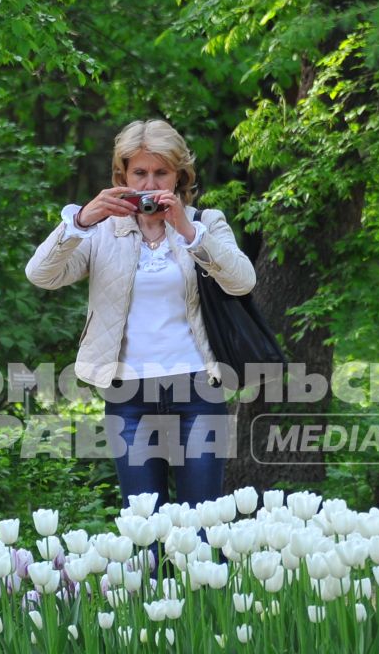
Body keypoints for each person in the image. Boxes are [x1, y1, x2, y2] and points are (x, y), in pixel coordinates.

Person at [25, 119, 257, 512]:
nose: (150, 184)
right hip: (128, 394)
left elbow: (242, 281)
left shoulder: (204, 223)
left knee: (202, 526)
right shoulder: (101, 232)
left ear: (179, 175)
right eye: (140, 173)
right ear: (123, 175)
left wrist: (187, 230)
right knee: (145, 525)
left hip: (197, 390)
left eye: (161, 172)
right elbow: (41, 275)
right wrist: (80, 220)